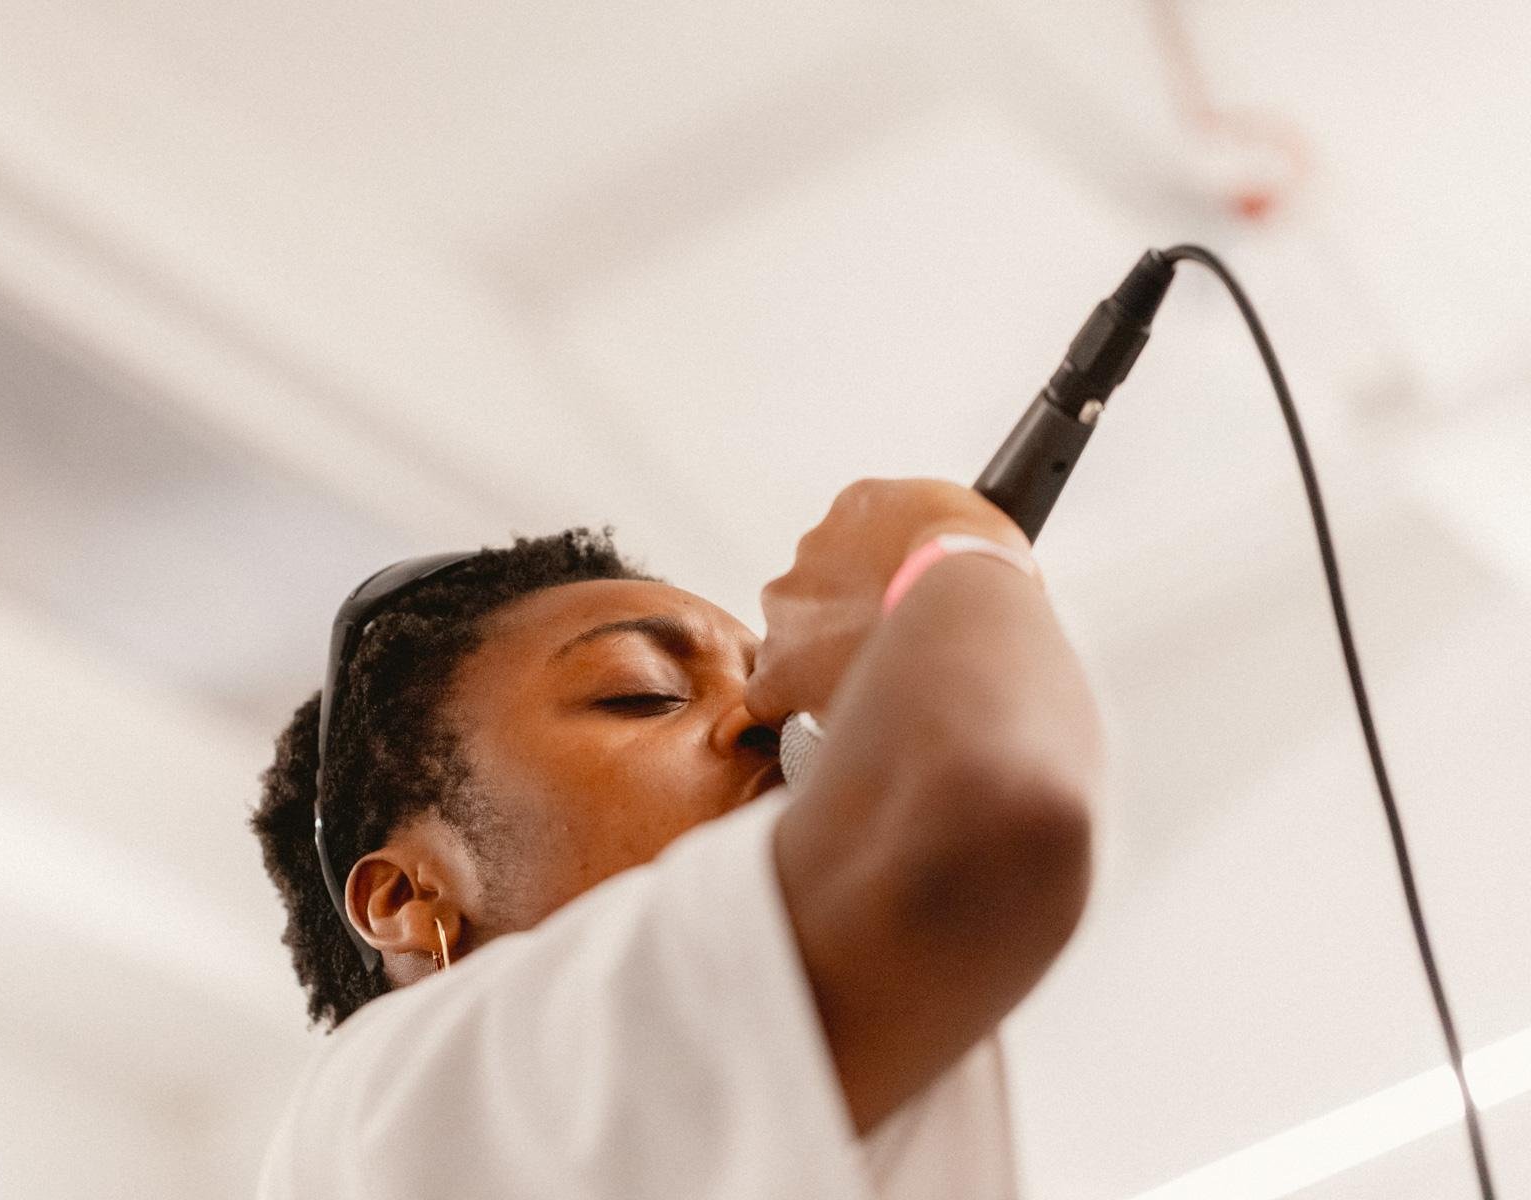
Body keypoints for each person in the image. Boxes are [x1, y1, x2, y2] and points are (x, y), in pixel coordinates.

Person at [250, 478, 1106, 1199]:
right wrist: (941, 550)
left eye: (772, 692)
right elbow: (987, 808)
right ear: (404, 897)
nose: (767, 718)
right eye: (645, 691)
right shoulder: (376, 1121)